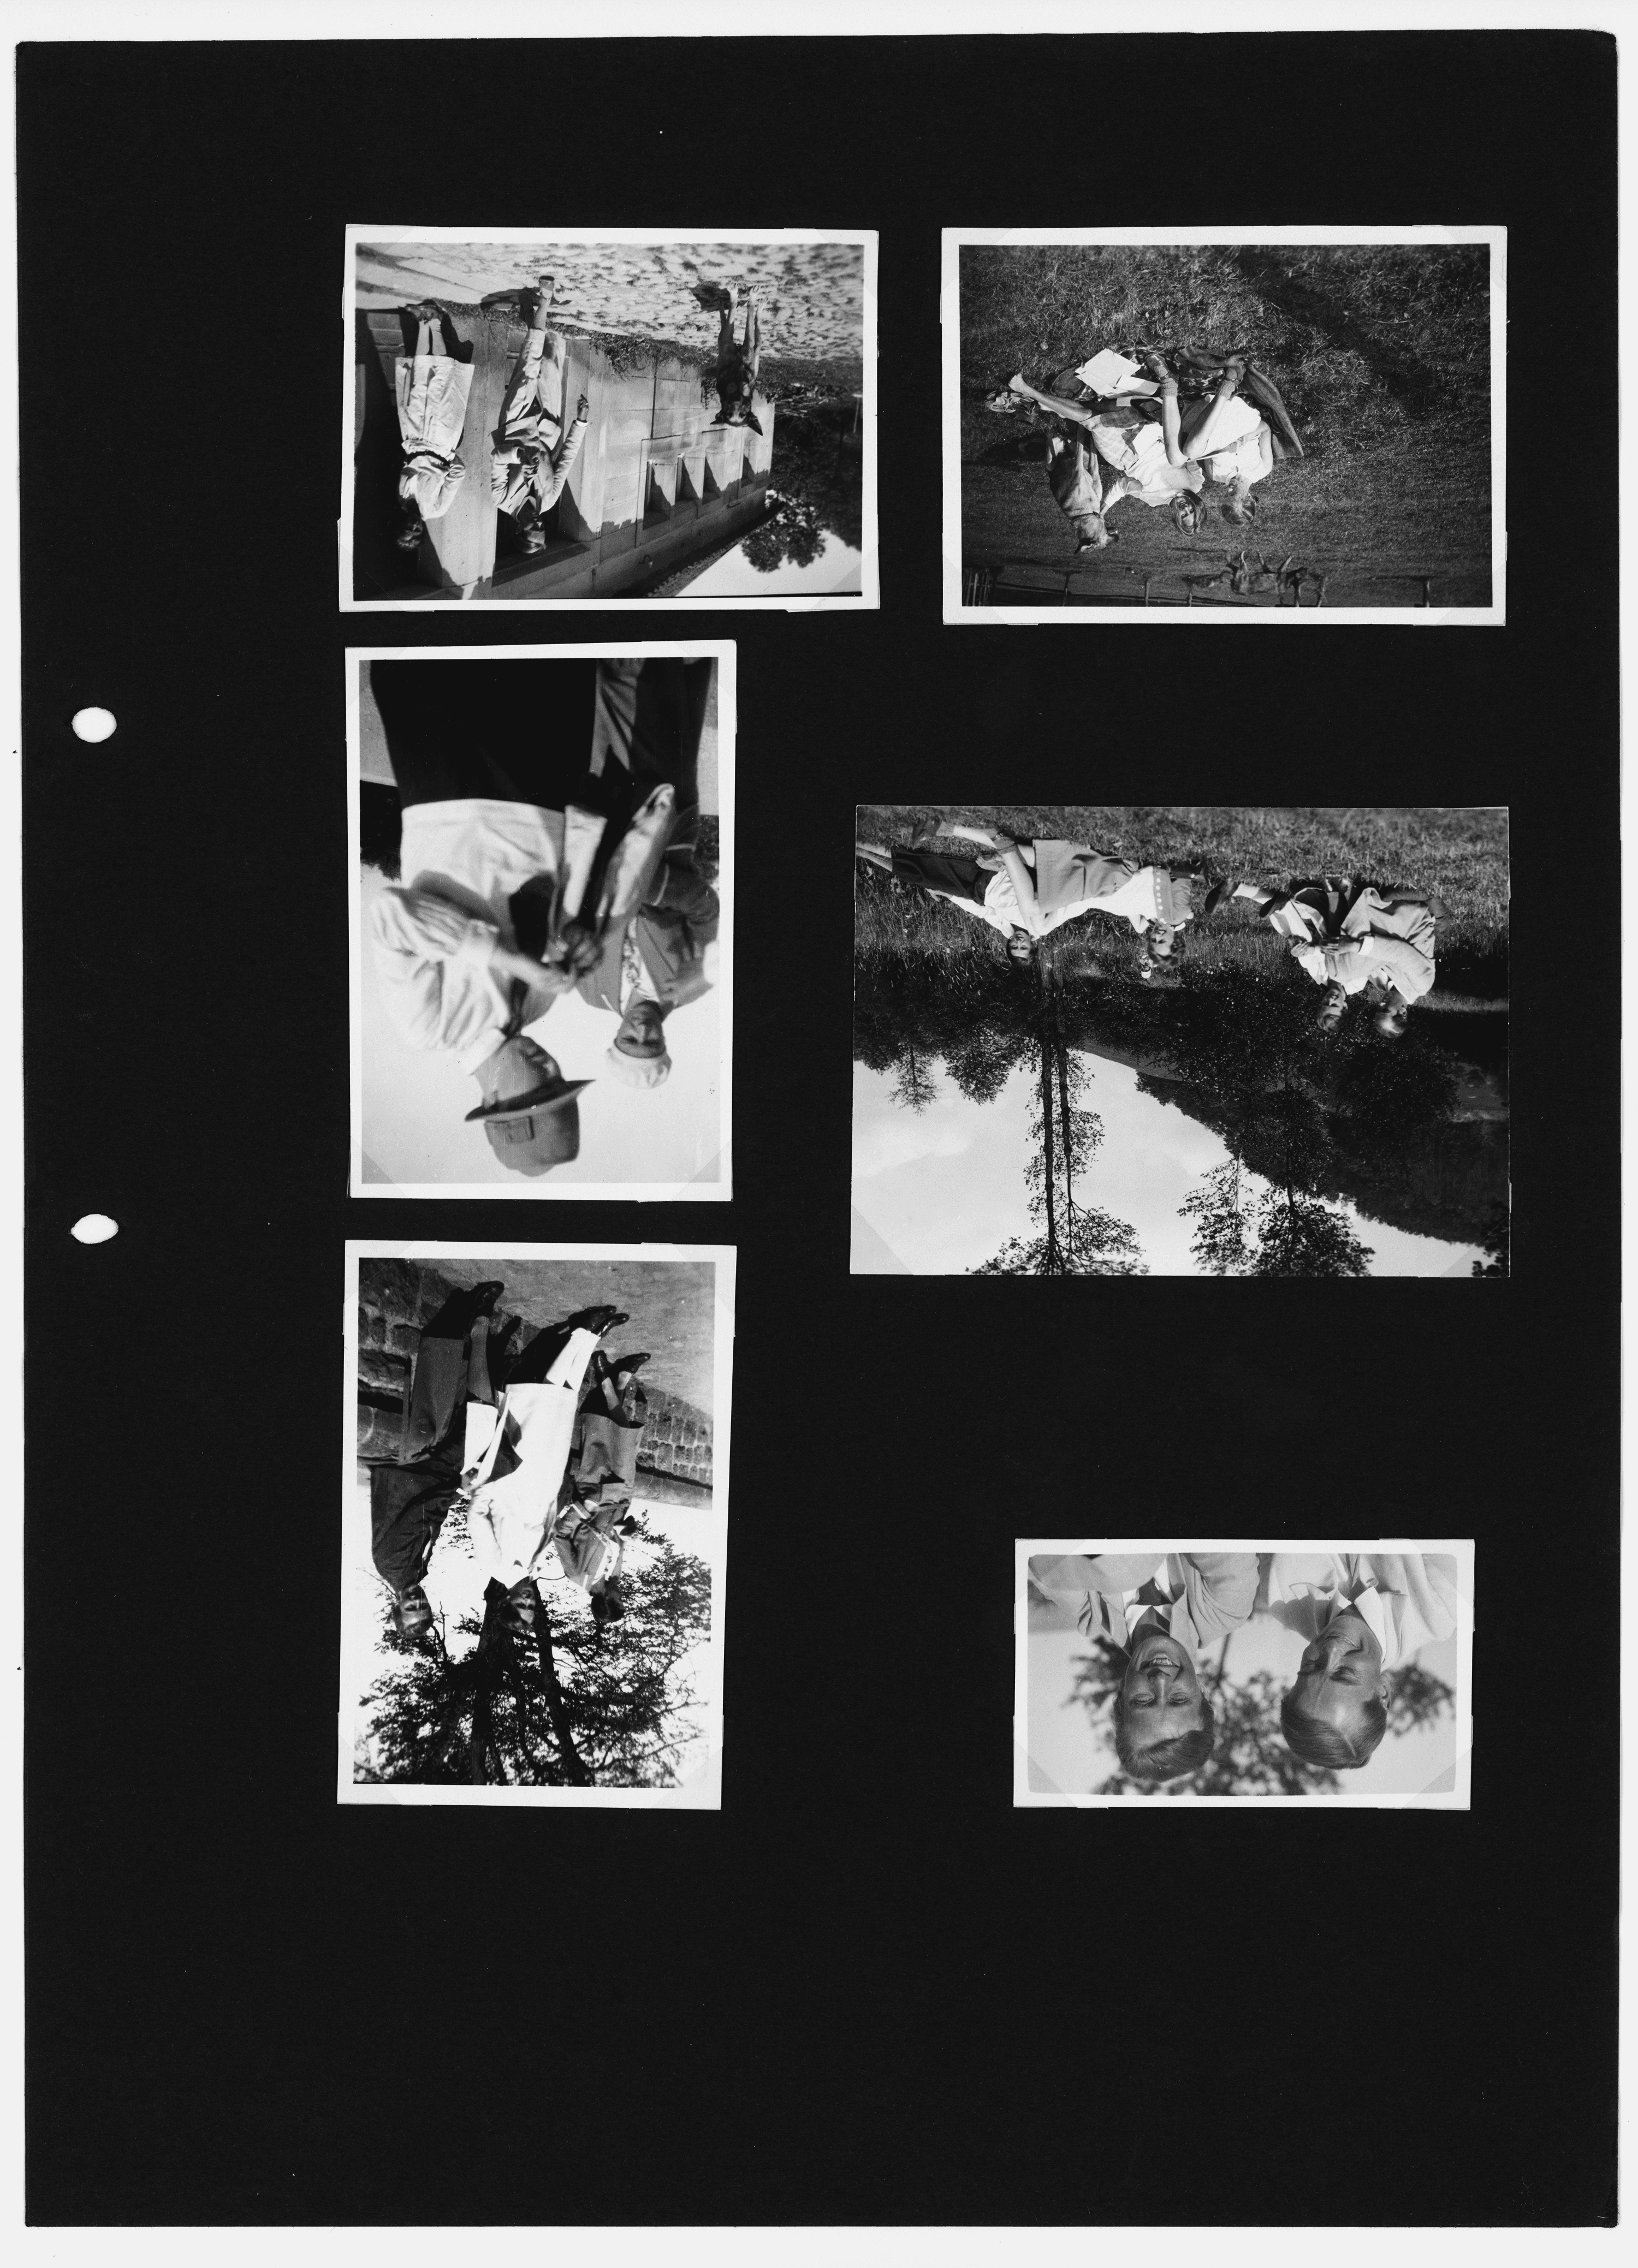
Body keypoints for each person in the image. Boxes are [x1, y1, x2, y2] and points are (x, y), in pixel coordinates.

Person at [365, 654, 715, 1174]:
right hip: (550, 787)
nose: (552, 1067)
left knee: (435, 647)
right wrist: (577, 933)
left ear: (499, 1102)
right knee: (556, 648)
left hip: (454, 778)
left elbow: (390, 916)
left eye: (544, 1087)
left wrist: (514, 960)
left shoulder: (428, 1027)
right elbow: (561, 900)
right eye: (563, 1081)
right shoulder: (543, 1009)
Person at [460, 1303, 630, 1629]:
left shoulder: (496, 1564)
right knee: (563, 1405)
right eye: (530, 1606)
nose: (527, 1600)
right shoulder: (534, 1569)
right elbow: (551, 1524)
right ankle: (591, 1337)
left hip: (517, 1472)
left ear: (508, 1601)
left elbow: (476, 1515)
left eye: (520, 1604)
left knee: (545, 1400)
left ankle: (584, 1332)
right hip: (546, 1476)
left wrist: (494, 1475)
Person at [856, 822, 1231, 968]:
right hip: (1090, 882)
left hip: (992, 889)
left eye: (1015, 947)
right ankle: (995, 848)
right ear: (1034, 947)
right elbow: (1075, 909)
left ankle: (864, 846)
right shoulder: (1173, 919)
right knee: (1037, 910)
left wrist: (944, 892)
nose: (1159, 935)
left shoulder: (1005, 926)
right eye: (1026, 947)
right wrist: (1164, 942)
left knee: (916, 872)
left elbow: (980, 912)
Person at [1004, 351, 1281, 545]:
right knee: (1111, 408)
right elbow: (1189, 447)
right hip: (1154, 435)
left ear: (1176, 517)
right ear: (1197, 506)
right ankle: (1047, 404)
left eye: (1182, 516)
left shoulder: (1153, 500)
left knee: (1093, 420)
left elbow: (1123, 486)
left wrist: (1101, 512)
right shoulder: (1196, 482)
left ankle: (1033, 394)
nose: (1185, 509)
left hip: (1125, 455)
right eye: (1192, 512)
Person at [1029, 1552, 1259, 1783]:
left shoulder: (1089, 1611)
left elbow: (1036, 1555)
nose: (1160, 1681)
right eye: (1178, 1699)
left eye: (1143, 1701)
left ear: (1122, 1695)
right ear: (1201, 1692)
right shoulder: (1225, 1610)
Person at [364, 1279, 506, 1642]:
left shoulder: (392, 1565)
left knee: (476, 1414)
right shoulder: (416, 1571)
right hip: (434, 1478)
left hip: (418, 1472)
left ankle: (477, 1318)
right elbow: (433, 1518)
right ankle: (479, 1328)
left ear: (396, 1607)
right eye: (423, 1606)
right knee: (476, 1415)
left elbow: (419, 1514)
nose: (416, 1601)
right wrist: (460, 1492)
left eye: (410, 1608)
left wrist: (458, 1487)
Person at [1261, 1552, 1460, 1771]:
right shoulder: (1443, 1605)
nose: (1333, 1649)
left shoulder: (1280, 1595)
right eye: (1345, 1674)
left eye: (1310, 1666)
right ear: (1383, 1692)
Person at [1228, 876, 1441, 1034]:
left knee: (1340, 966)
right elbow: (1399, 952)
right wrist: (1353, 946)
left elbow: (1371, 957)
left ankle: (1331, 896)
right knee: (1343, 969)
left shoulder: (1380, 985)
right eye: (1385, 1010)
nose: (1381, 1004)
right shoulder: (1422, 985)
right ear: (1403, 1012)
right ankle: (1340, 894)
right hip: (1408, 921)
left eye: (1379, 1009)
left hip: (1384, 929)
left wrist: (1310, 949)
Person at [490, 276, 590, 553]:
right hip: (548, 424)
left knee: (529, 364)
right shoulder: (548, 499)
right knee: (548, 358)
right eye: (542, 530)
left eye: (532, 530)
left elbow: (496, 458)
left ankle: (545, 299)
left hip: (516, 423)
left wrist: (518, 457)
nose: (538, 524)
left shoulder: (502, 499)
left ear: (518, 530)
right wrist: (580, 423)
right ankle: (529, 311)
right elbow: (567, 459)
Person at [392, 303, 477, 557]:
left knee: (419, 381)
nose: (414, 526)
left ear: (401, 526)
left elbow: (409, 465)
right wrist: (445, 455)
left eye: (408, 530)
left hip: (414, 435)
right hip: (441, 439)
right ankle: (436, 323)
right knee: (441, 382)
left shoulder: (402, 498)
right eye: (418, 533)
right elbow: (458, 475)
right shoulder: (436, 509)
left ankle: (423, 322)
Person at [693, 282, 764, 433]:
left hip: (727, 369)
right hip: (747, 371)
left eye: (731, 412)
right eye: (742, 413)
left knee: (726, 341)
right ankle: (753, 305)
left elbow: (723, 354)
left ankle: (734, 300)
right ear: (750, 414)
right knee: (753, 344)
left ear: (721, 411)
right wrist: (754, 356)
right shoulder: (748, 393)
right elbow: (752, 372)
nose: (737, 407)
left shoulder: (722, 386)